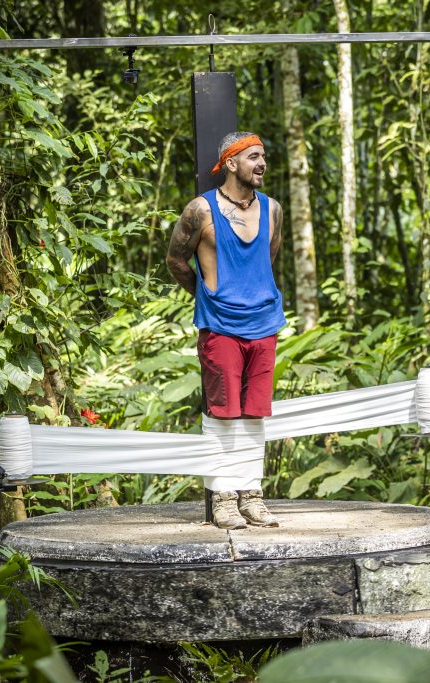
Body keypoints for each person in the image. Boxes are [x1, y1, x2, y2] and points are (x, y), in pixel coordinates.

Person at [166, 131, 286, 529]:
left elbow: (268, 259)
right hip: (220, 326)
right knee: (222, 413)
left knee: (255, 414)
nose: (262, 163)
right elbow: (176, 261)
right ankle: (223, 498)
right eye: (253, 156)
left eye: (263, 156)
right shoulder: (200, 210)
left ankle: (251, 496)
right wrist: (208, 294)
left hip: (264, 324)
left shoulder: (273, 209)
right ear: (231, 163)